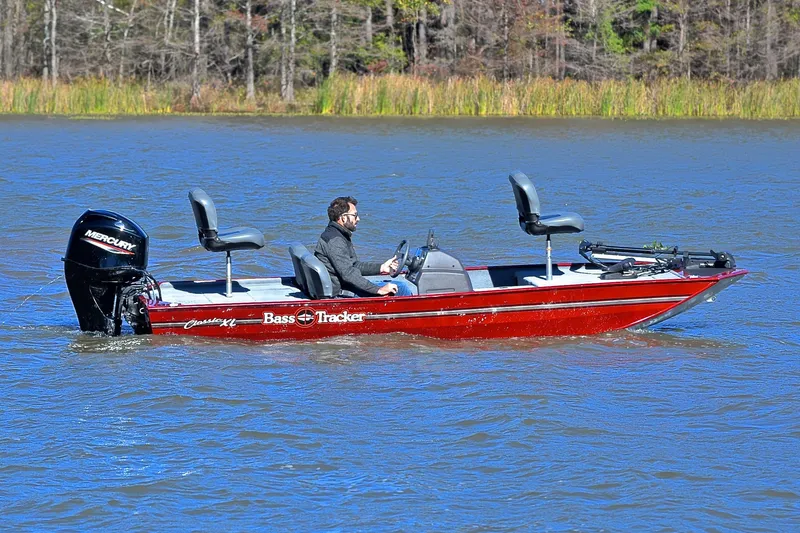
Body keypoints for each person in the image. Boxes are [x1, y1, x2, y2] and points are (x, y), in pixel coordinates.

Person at [315, 196, 415, 297]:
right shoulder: (335, 241)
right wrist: (378, 290)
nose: (358, 219)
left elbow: (354, 265)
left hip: (345, 286)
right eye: (355, 215)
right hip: (341, 293)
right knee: (402, 288)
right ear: (343, 217)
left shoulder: (338, 234)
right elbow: (348, 274)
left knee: (398, 284)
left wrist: (381, 267)